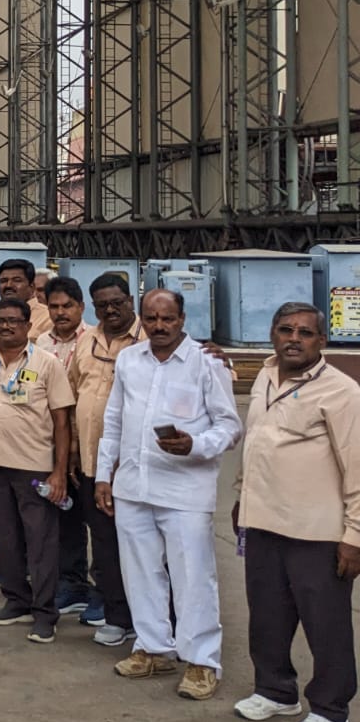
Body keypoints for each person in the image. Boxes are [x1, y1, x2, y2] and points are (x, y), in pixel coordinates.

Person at [96, 288, 241, 697]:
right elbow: (114, 420)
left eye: (168, 319)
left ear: (182, 319)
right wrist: (103, 475)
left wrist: (194, 445)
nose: (159, 326)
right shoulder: (129, 360)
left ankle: (201, 661)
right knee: (140, 572)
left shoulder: (206, 362)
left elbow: (230, 426)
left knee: (193, 577)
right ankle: (154, 648)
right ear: (140, 318)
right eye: (152, 318)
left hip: (184, 489)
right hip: (134, 486)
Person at [234, 302, 360, 722]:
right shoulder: (267, 376)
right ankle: (275, 690)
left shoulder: (341, 392)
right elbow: (258, 443)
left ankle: (331, 709)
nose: (294, 338)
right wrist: (241, 499)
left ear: (321, 342)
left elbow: (358, 468)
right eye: (286, 329)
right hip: (264, 523)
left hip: (317, 532)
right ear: (272, 334)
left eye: (305, 333)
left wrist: (354, 537)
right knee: (267, 615)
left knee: (326, 624)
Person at [0, 296, 74, 644]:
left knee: (40, 542)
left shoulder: (46, 363)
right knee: (6, 539)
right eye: (0, 321)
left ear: (27, 325)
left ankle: (44, 612)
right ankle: (16, 601)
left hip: (33, 467)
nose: (6, 326)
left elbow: (62, 421)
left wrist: (59, 472)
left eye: (13, 321)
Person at [65, 272, 143, 646]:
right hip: (91, 466)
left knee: (143, 550)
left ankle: (151, 619)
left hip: (134, 468)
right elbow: (73, 396)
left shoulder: (150, 341)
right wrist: (73, 453)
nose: (111, 310)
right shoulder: (87, 341)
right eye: (103, 305)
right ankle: (117, 616)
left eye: (117, 302)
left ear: (131, 300)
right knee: (106, 547)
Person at [37, 276, 94, 616]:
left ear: (81, 308)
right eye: (54, 306)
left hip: (85, 444)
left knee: (91, 519)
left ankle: (93, 588)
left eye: (67, 306)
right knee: (59, 516)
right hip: (49, 442)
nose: (60, 313)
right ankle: (67, 583)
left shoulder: (93, 342)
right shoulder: (40, 343)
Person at [0, 258, 51, 340]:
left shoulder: (48, 317)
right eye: (4, 281)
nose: (8, 285)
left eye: (17, 280)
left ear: (32, 287)